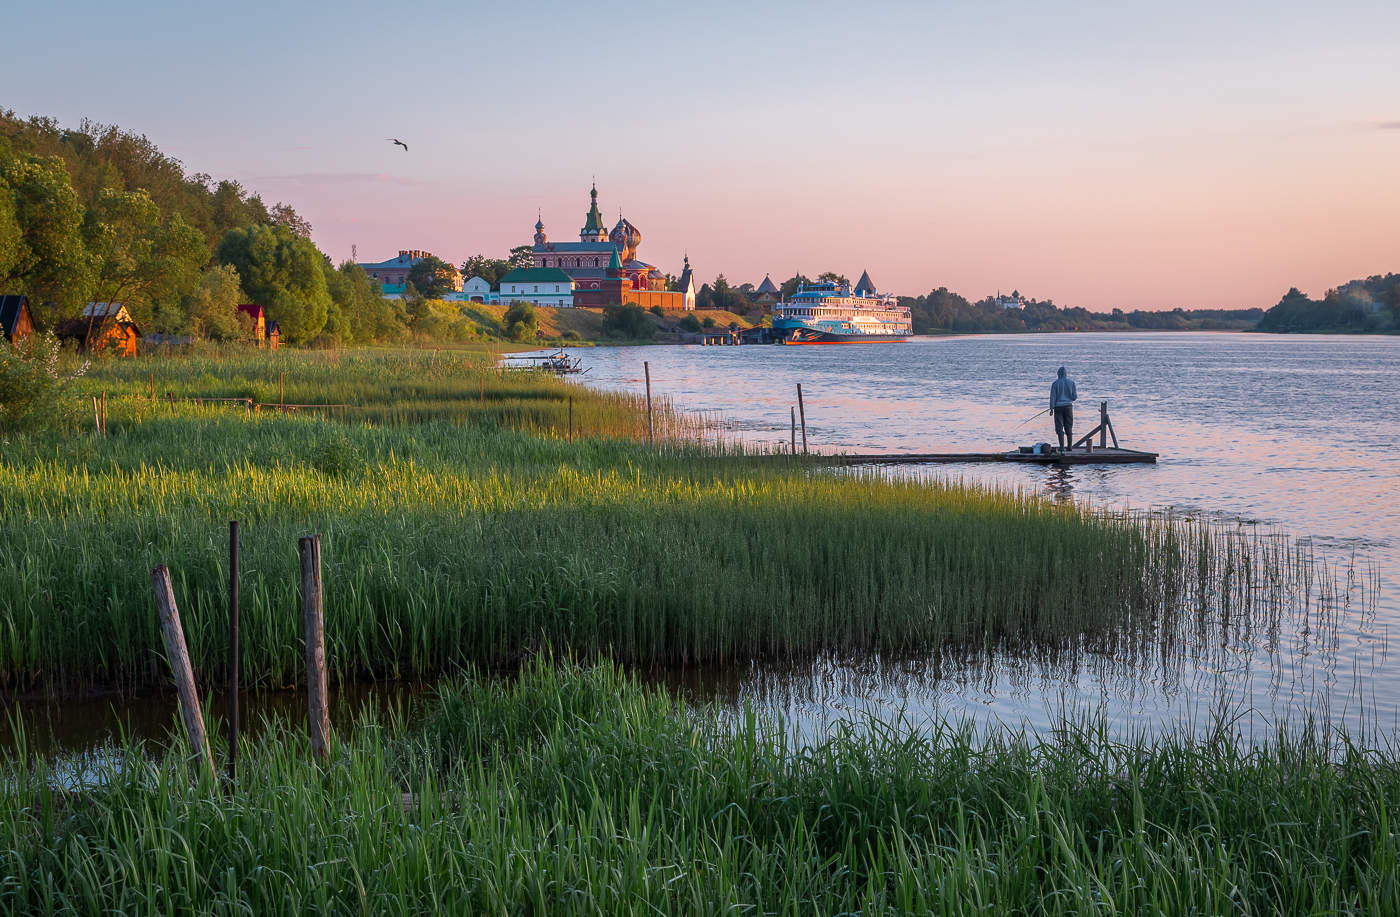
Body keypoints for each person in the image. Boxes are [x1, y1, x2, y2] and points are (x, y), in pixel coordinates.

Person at [1049, 366, 1077, 450]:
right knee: (1069, 426)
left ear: (1058, 374)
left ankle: (1061, 447)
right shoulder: (1071, 383)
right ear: (1066, 374)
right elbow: (1074, 397)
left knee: (1059, 427)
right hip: (1068, 407)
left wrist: (1051, 408)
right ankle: (1069, 447)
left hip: (1058, 408)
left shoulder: (1055, 384)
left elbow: (1052, 397)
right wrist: (1069, 398)